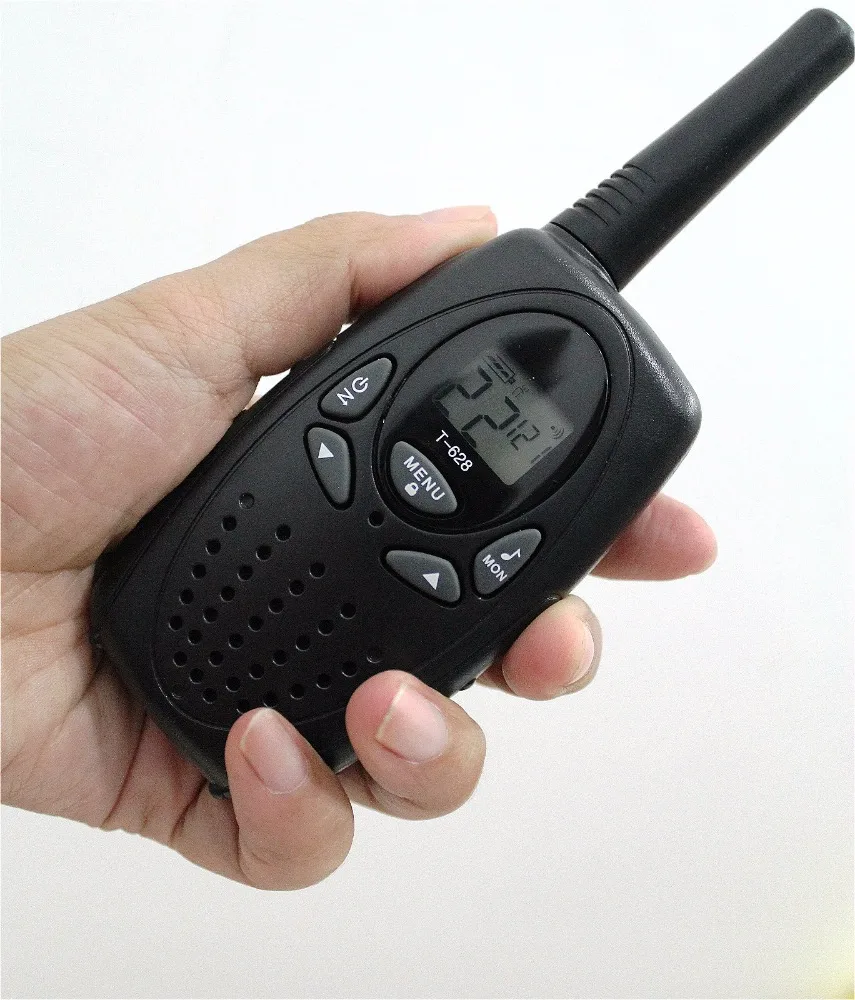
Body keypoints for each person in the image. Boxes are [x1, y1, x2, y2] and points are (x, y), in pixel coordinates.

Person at [1, 208, 716, 890]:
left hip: (139, 617)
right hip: (133, 601)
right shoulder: (512, 274)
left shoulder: (628, 396)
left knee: (525, 661)